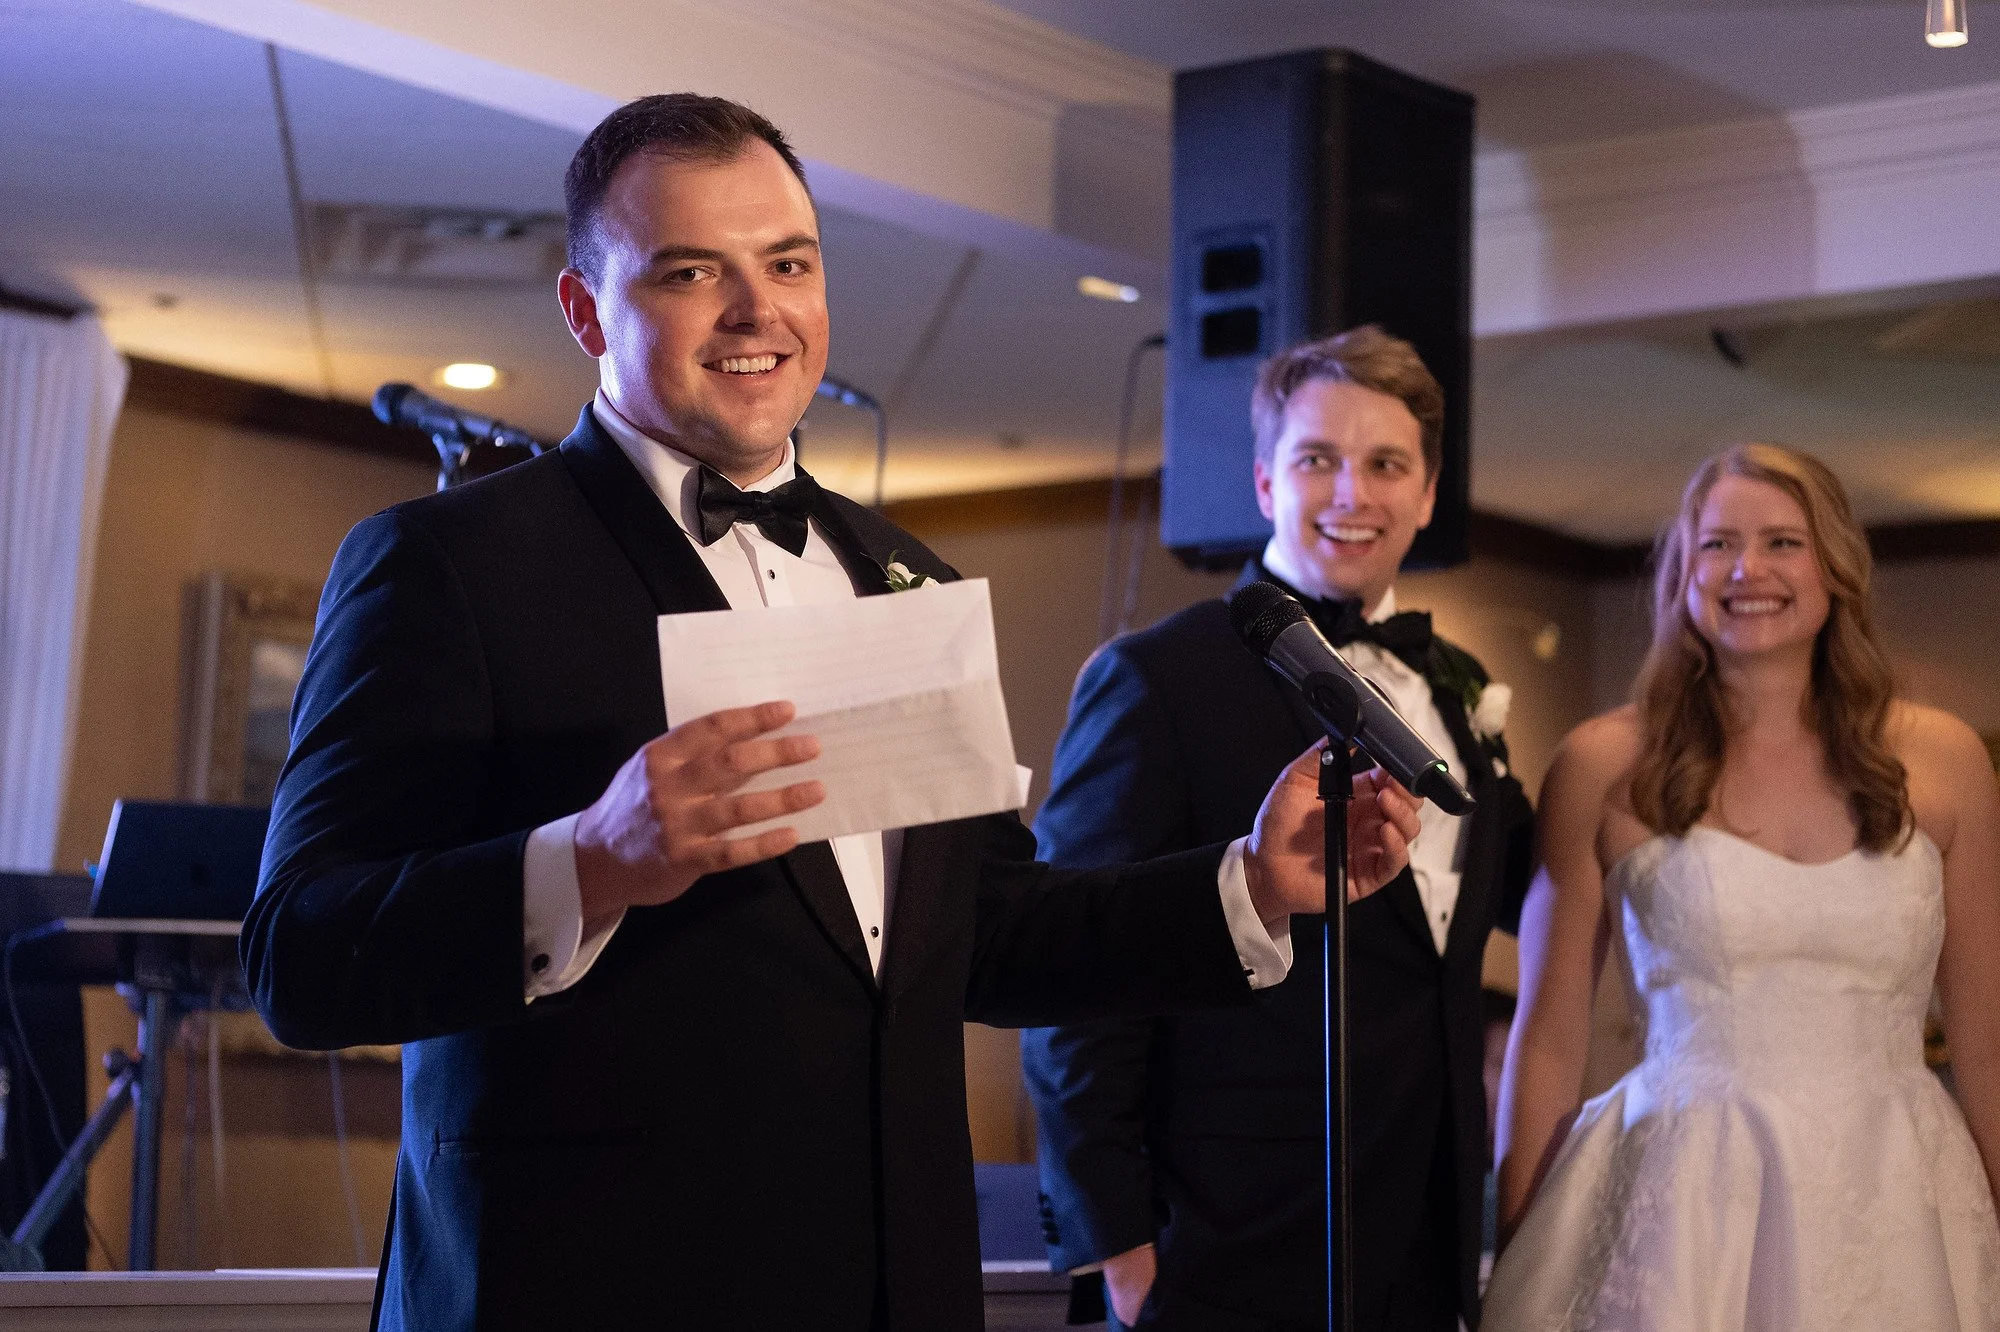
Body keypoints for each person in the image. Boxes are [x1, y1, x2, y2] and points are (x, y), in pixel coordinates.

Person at [241, 95, 1423, 1332]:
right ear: (586, 310)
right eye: (693, 271)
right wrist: (588, 862)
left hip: (887, 1284)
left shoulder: (904, 573)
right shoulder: (447, 564)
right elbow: (297, 957)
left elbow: (987, 931)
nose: (757, 312)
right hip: (584, 1283)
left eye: (789, 263)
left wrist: (1247, 883)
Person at [1023, 328, 1535, 1331]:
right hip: (1219, 1246)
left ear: (1426, 494)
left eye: (1385, 464)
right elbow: (1073, 965)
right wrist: (1117, 1248)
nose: (1352, 494)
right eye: (1317, 460)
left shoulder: (1454, 690)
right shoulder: (1159, 677)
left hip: (1421, 1242)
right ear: (1264, 482)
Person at [1485, 443, 2000, 1328]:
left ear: (1836, 566)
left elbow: (1988, 1034)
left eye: (1782, 543)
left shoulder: (1945, 758)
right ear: (1683, 572)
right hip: (1683, 1195)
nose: (1746, 570)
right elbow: (1549, 1035)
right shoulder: (1604, 762)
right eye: (1717, 544)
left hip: (1897, 1193)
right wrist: (1517, 1249)